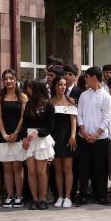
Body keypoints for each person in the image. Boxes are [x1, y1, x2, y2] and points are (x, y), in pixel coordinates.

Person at [77, 66, 111, 206]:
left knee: (101, 168)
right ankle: (83, 196)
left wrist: (97, 134)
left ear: (94, 77)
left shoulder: (106, 96)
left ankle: (101, 196)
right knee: (83, 168)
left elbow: (107, 118)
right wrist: (84, 133)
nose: (85, 79)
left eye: (87, 76)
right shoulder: (83, 95)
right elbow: (79, 115)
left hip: (101, 138)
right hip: (84, 138)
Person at [0, 70, 27, 208]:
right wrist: (4, 134)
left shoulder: (23, 96)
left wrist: (15, 133)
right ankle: (9, 195)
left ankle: (19, 196)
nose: (8, 81)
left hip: (18, 136)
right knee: (7, 167)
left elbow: (23, 117)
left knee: (17, 167)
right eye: (5, 79)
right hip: (3, 136)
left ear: (15, 79)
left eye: (11, 78)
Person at [22, 80, 56, 210]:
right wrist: (24, 139)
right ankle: (34, 199)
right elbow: (24, 124)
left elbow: (50, 127)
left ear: (35, 88)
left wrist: (38, 132)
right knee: (31, 171)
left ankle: (42, 199)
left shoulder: (49, 105)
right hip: (29, 140)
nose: (27, 90)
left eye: (30, 87)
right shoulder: (28, 104)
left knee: (41, 172)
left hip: (42, 140)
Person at [50, 75, 78, 208]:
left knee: (68, 169)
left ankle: (68, 197)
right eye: (60, 84)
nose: (63, 87)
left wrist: (73, 136)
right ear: (55, 86)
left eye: (64, 85)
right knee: (58, 170)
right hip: (54, 139)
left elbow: (73, 120)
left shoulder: (70, 101)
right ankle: (60, 196)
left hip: (68, 139)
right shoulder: (50, 102)